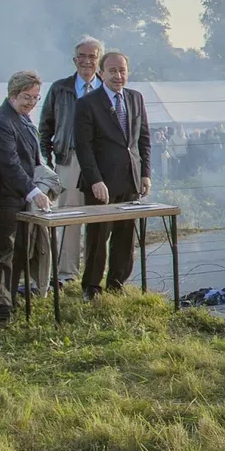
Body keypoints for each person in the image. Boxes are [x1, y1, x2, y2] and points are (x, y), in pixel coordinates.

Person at [74, 51, 152, 299]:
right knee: (98, 237)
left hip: (130, 179)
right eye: (112, 71)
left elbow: (144, 140)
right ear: (101, 73)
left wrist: (145, 173)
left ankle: (117, 284)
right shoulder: (87, 103)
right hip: (101, 183)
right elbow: (83, 147)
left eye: (122, 70)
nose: (118, 76)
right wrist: (95, 180)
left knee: (125, 235)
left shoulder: (136, 99)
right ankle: (92, 287)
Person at [0, 70, 55, 317]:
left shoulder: (22, 118)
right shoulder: (2, 122)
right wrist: (34, 191)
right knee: (4, 254)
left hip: (19, 198)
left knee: (19, 252)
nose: (32, 103)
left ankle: (9, 300)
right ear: (13, 94)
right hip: (3, 200)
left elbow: (32, 158)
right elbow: (9, 164)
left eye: (36, 98)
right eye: (27, 97)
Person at [38, 36, 104, 284]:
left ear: (99, 59)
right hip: (69, 158)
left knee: (99, 217)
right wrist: (47, 160)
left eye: (93, 56)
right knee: (70, 216)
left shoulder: (105, 87)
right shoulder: (60, 88)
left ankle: (96, 272)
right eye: (82, 56)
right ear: (74, 60)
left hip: (100, 161)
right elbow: (45, 127)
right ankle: (68, 273)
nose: (87, 61)